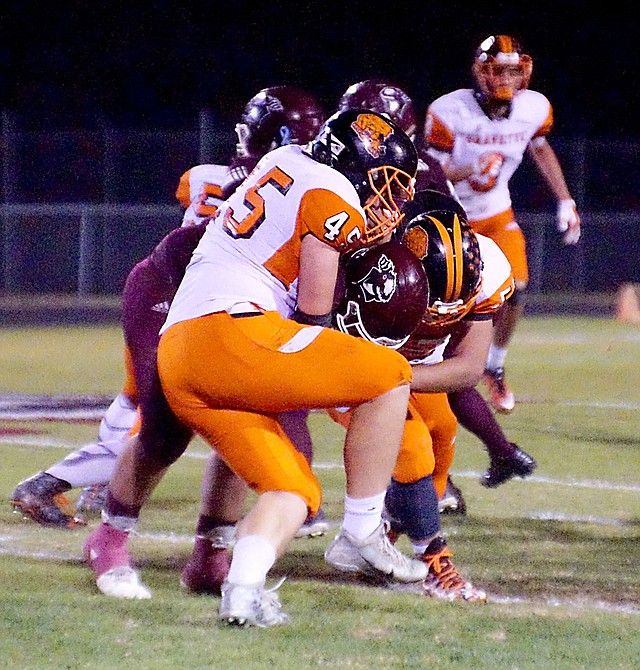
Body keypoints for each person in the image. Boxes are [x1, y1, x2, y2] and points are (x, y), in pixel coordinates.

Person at [82, 109, 428, 628]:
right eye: (385, 184)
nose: (389, 202)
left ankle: (234, 586)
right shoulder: (333, 194)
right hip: (233, 332)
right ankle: (361, 532)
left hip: (187, 347)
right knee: (390, 373)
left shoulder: (283, 159)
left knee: (293, 488)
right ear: (353, 165)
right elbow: (313, 312)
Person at [10, 85, 330, 539]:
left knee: (141, 402)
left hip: (182, 296)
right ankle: (59, 485)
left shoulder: (208, 176)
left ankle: (87, 485)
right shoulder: (290, 183)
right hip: (183, 298)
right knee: (169, 418)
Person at [338, 80, 536, 509]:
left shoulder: (422, 169)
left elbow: (450, 234)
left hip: (406, 295)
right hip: (352, 303)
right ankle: (315, 505)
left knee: (440, 419)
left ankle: (433, 493)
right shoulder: (332, 174)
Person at [327, 189, 514, 602]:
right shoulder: (368, 265)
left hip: (408, 366)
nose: (439, 315)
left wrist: (401, 375)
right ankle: (434, 561)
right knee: (411, 450)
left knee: (442, 431)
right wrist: (387, 376)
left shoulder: (487, 268)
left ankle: (373, 535)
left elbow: (467, 367)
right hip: (354, 357)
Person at [424, 34, 581, 414]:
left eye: (514, 71)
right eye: (498, 70)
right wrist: (470, 168)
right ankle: (432, 368)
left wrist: (565, 199)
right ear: (481, 72)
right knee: (440, 303)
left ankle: (493, 364)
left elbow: (540, 149)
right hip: (450, 217)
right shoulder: (449, 110)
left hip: (496, 215)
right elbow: (430, 170)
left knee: (516, 290)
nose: (507, 79)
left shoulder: (534, 108)